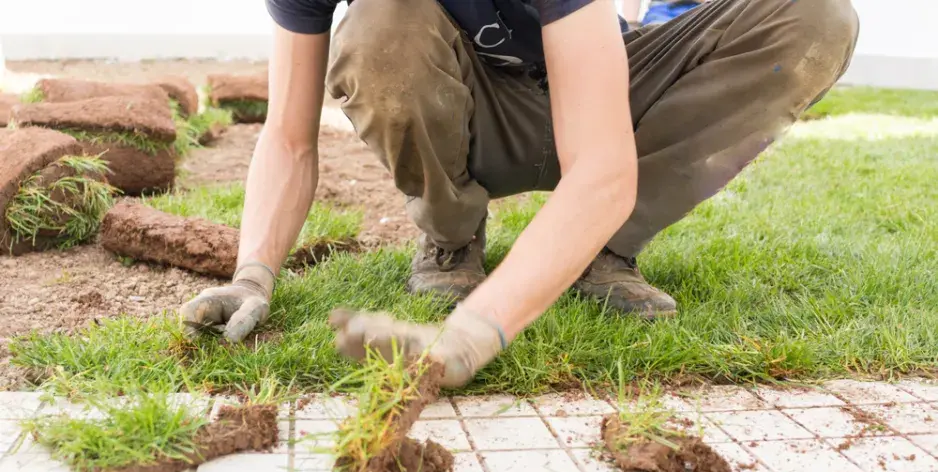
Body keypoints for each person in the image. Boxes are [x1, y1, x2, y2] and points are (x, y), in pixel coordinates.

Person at [180, 0, 859, 388]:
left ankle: (601, 252)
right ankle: (450, 241)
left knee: (815, 20)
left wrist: (470, 336)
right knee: (377, 31)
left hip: (604, 95)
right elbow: (290, 138)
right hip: (471, 109)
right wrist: (253, 273)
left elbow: (601, 166)